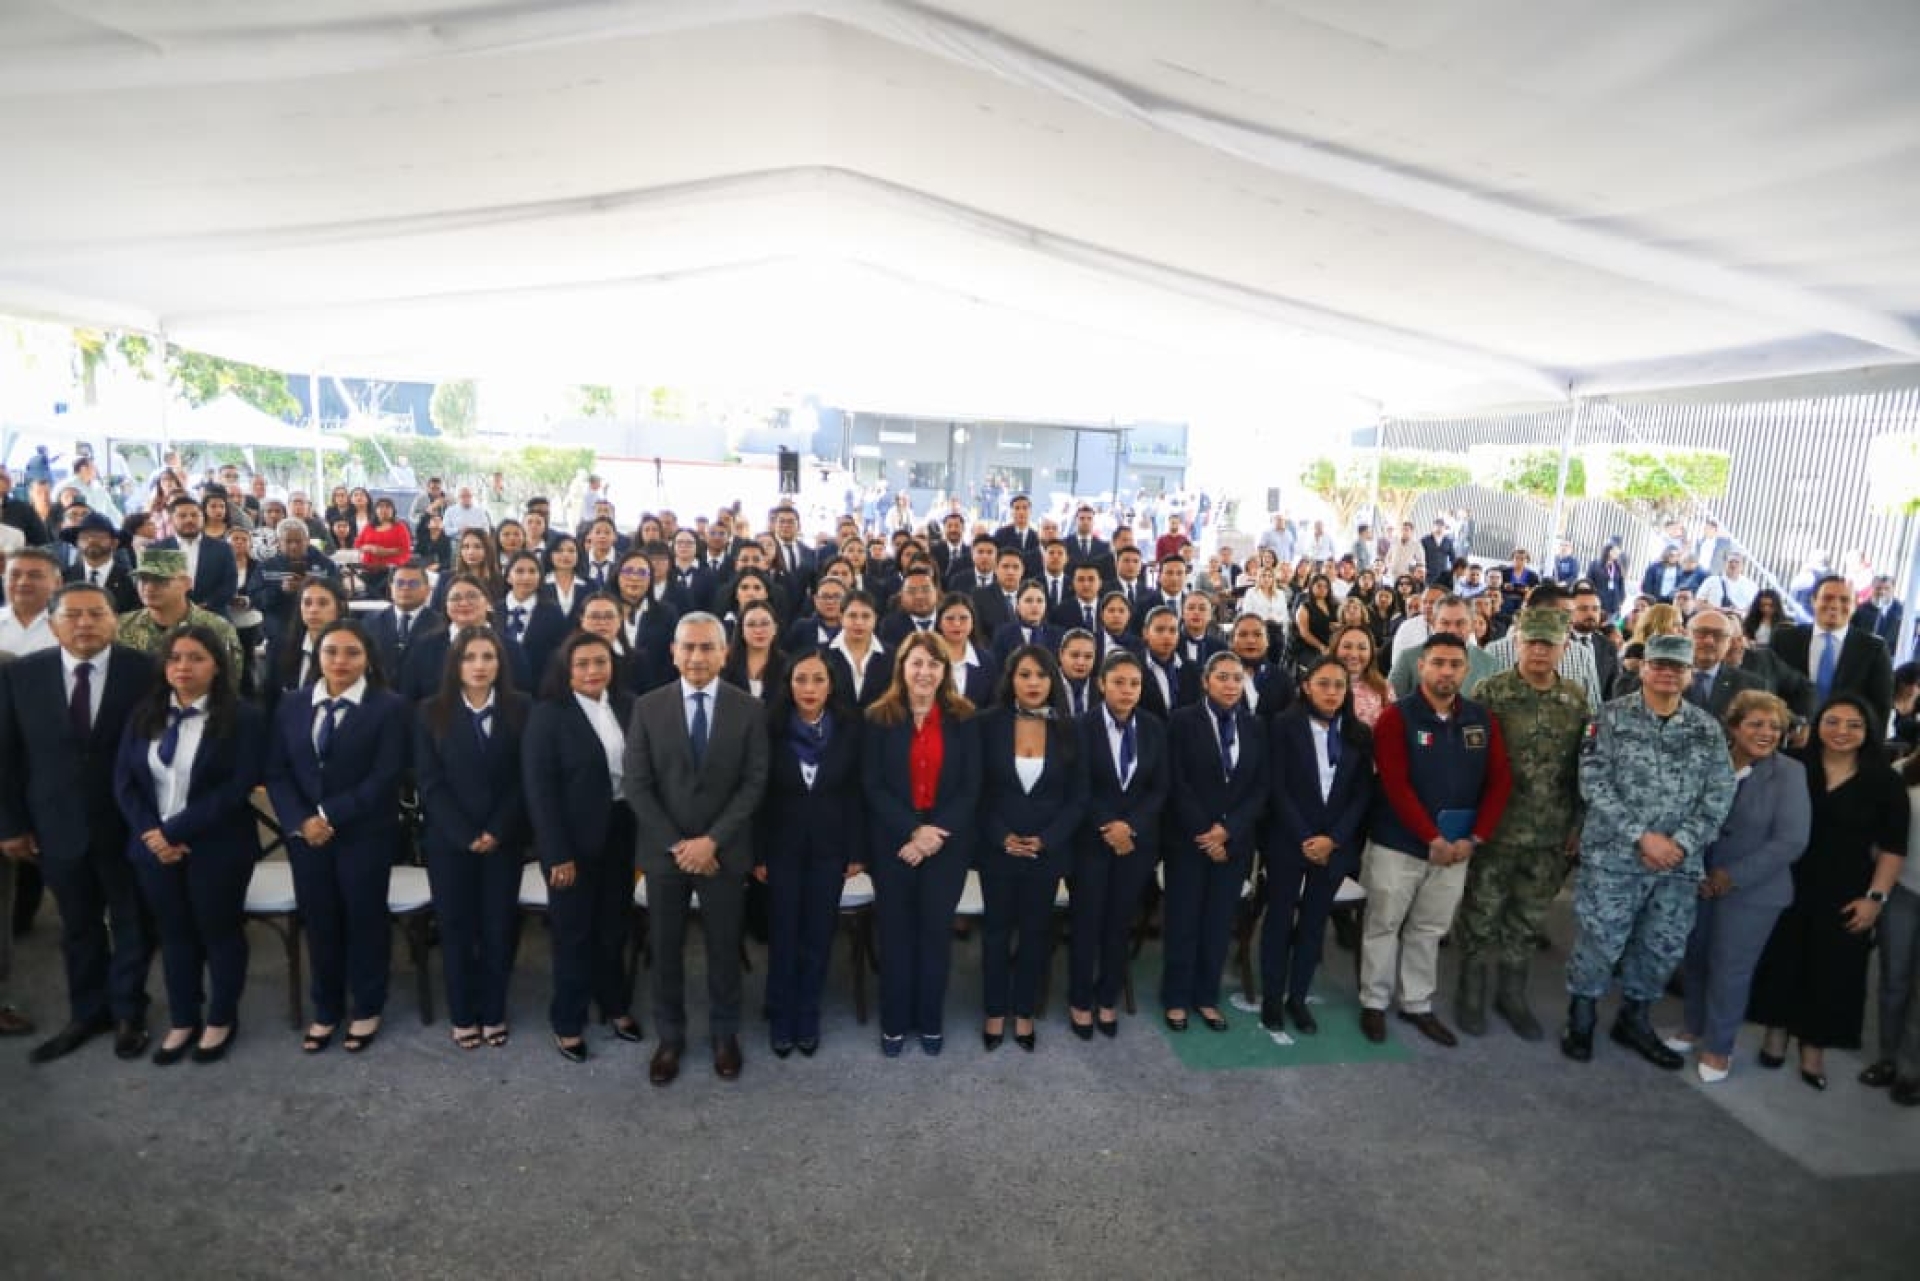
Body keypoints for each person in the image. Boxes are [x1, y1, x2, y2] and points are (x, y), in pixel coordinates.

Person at [1563, 634, 1738, 1068]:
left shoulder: (1706, 728)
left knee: (1661, 945)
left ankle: (1634, 1019)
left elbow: (1719, 793)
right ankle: (1581, 1015)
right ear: (1642, 668)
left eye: (1677, 667)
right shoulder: (1608, 718)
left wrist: (1681, 843)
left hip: (1677, 864)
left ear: (1689, 675)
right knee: (1600, 940)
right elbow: (1593, 782)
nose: (1667, 673)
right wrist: (1642, 836)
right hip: (1614, 858)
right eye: (1659, 664)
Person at [0, 583, 154, 1062]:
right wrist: (11, 824)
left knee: (132, 922)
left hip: (127, 823)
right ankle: (87, 1013)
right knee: (78, 925)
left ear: (114, 621)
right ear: (52, 624)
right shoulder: (21, 675)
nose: (84, 623)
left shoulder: (145, 671)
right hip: (56, 824)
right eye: (72, 615)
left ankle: (129, 1013)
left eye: (96, 613)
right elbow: (7, 755)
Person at [622, 612, 769, 1085]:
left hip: (723, 853)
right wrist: (678, 845)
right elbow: (637, 785)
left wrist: (711, 841)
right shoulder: (648, 707)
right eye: (688, 647)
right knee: (665, 949)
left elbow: (754, 782)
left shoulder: (749, 709)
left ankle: (725, 1035)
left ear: (725, 654)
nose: (697, 656)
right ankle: (670, 1038)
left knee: (724, 948)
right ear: (673, 652)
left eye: (708, 647)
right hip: (664, 855)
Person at [112, 625, 266, 1064]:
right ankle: (184, 1018)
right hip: (153, 847)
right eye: (175, 658)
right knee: (174, 934)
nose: (184, 667)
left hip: (217, 845)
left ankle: (221, 1018)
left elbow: (237, 786)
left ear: (217, 666)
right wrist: (152, 834)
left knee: (219, 931)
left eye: (196, 658)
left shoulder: (243, 717)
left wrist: (175, 831)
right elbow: (124, 781)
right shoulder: (145, 712)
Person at [1749, 695, 1909, 1089]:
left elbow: (1893, 848)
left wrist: (1875, 899)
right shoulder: (1792, 765)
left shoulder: (1885, 781)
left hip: (1848, 890)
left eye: (1854, 725)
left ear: (1869, 730)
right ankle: (1775, 1032)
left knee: (1833, 970)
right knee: (1781, 960)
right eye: (1832, 721)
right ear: (1817, 724)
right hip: (1785, 881)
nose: (1842, 732)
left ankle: (1813, 1047)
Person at [1361, 633, 1513, 1047]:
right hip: (1398, 845)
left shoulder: (1481, 719)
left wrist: (1475, 838)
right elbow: (1394, 784)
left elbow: (1500, 782)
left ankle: (1417, 1003)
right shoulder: (1396, 718)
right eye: (1438, 663)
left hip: (1456, 850)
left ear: (1467, 671)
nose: (1446, 672)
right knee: (1383, 924)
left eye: (1455, 665)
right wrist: (1431, 836)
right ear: (1421, 666)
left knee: (1428, 929)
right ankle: (1374, 1001)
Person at [265, 618, 408, 1055]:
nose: (340, 660)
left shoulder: (389, 707)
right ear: (317, 656)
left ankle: (367, 1005)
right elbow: (277, 770)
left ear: (368, 659)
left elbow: (387, 774)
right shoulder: (292, 703)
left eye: (352, 652)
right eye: (331, 651)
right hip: (307, 836)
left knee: (365, 919)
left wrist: (329, 814)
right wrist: (302, 819)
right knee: (320, 921)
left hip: (365, 831)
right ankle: (326, 1007)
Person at [1453, 609, 1589, 1040]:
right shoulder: (1491, 692)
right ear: (1517, 643)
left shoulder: (1575, 699)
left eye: (1548, 644)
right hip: (1496, 829)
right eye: (1532, 642)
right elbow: (1469, 762)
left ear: (1563, 648)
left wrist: (1578, 823)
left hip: (1550, 832)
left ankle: (1511, 994)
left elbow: (1582, 768)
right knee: (1481, 912)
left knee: (1528, 918)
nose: (1539, 651)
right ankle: (1470, 990)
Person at [1662, 692, 1812, 1081]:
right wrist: (1695, 869)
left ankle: (1718, 1047)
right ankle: (1693, 1026)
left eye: (1775, 727)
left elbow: (1791, 841)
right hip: (1698, 882)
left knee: (1730, 969)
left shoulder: (1790, 773)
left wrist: (1731, 876)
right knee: (1696, 959)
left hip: (1754, 892)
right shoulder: (1710, 762)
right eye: (1756, 724)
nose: (1767, 733)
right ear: (1733, 727)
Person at [522, 632, 641, 1062]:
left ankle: (615, 1005)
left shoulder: (629, 705)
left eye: (600, 662)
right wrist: (556, 853)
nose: (593, 671)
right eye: (583, 664)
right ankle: (568, 1020)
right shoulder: (548, 715)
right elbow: (540, 791)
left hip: (622, 830)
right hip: (570, 839)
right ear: (566, 670)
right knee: (573, 933)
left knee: (613, 927)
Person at [862, 631, 980, 1056]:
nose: (925, 672)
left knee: (934, 933)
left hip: (946, 841)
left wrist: (933, 835)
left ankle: (930, 1019)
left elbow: (971, 787)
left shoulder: (965, 717)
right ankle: (894, 1021)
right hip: (895, 840)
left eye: (934, 664)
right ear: (902, 667)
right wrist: (913, 831)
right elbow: (872, 784)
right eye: (917, 663)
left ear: (945, 670)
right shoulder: (878, 717)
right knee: (895, 934)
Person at [415, 626, 528, 1052]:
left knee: (498, 926)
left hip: (504, 837)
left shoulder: (521, 708)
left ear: (500, 663)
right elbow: (430, 782)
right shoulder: (431, 711)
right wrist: (465, 834)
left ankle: (494, 1010)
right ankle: (463, 1013)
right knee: (456, 926)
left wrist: (496, 829)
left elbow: (524, 778)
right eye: (469, 657)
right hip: (450, 839)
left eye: (488, 657)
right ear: (455, 664)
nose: (479, 665)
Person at [976, 646, 1087, 1051]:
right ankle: (994, 1011)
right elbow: (975, 789)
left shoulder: (1069, 728)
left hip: (1046, 852)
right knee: (995, 932)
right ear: (1011, 680)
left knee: (1035, 934)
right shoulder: (987, 724)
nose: (1034, 683)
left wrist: (1047, 839)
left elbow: (1078, 797)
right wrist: (1001, 835)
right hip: (998, 849)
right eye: (1024, 675)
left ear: (1052, 680)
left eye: (1041, 675)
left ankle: (1023, 1011)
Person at [755, 650, 864, 1057]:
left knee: (818, 934)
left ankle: (807, 1012)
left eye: (818, 679)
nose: (809, 688)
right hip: (781, 848)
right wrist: (758, 854)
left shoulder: (849, 728)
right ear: (788, 684)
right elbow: (758, 795)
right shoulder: (769, 727)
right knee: (784, 933)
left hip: (830, 848)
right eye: (801, 679)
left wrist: (856, 850)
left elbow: (855, 792)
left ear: (831, 685)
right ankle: (781, 1013)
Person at [1262, 657, 1374, 1033]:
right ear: (1307, 686)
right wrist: (1304, 836)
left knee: (1313, 925)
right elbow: (1277, 786)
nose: (1331, 692)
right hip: (1289, 839)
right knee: (1279, 921)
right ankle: (1272, 998)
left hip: (1334, 846)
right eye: (1323, 684)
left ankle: (1297, 998)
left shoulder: (1358, 734)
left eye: (1339, 685)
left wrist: (1334, 839)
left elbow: (1361, 794)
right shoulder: (1283, 726)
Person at [1161, 652, 1268, 1033]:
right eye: (1222, 677)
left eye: (1237, 678)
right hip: (1189, 840)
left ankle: (1206, 997)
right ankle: (1176, 997)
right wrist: (1207, 832)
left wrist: (1228, 830)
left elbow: (1260, 787)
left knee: (1219, 923)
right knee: (1183, 921)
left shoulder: (1255, 726)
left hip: (1233, 844)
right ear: (1206, 681)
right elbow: (1175, 782)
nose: (1230, 684)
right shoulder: (1181, 721)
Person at [1067, 652, 1167, 1039]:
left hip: (1135, 844)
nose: (1127, 690)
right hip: (1092, 840)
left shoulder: (1154, 728)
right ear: (1101, 684)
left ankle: (1106, 996)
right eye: (1119, 682)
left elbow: (1159, 788)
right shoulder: (1081, 726)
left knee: (1119, 921)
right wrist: (1109, 826)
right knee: (1087, 920)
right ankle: (1080, 1000)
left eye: (1134, 684)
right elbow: (1078, 786)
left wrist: (1131, 827)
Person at [1864, 753, 1920, 1104]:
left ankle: (1911, 1069)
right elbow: (1880, 828)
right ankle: (1887, 1058)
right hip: (1901, 890)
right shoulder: (1902, 771)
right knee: (1893, 979)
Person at [1768, 575, 1895, 730]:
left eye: (1844, 600)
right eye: (1827, 598)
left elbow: (1881, 707)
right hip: (1789, 733)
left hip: (1845, 738)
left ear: (1855, 605)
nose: (1835, 605)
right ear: (1813, 601)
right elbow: (1768, 690)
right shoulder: (1784, 639)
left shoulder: (1874, 649)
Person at [117, 549, 246, 691]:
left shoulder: (216, 628)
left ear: (187, 583)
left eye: (161, 580)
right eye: (143, 579)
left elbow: (229, 683)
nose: (149, 587)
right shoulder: (121, 626)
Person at [60, 512, 139, 614]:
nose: (91, 540)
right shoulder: (64, 578)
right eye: (85, 537)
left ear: (114, 543)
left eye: (99, 536)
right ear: (77, 543)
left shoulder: (130, 580)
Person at [0, 547, 61, 656]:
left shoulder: (72, 624)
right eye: (14, 575)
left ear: (57, 583)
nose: (23, 582)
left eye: (34, 575)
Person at [1331, 623, 1391, 727]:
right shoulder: (1319, 686)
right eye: (1347, 646)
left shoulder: (1384, 688)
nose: (1354, 654)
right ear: (1335, 649)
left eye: (1362, 648)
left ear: (1371, 653)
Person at [352, 496, 413, 596]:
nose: (384, 509)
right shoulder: (369, 526)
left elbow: (405, 548)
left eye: (387, 507)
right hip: (369, 568)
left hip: (391, 570)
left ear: (393, 510)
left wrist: (385, 551)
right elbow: (357, 544)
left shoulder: (400, 527)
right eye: (380, 507)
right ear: (375, 510)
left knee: (380, 592)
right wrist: (369, 548)